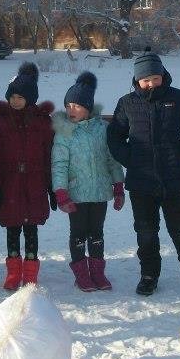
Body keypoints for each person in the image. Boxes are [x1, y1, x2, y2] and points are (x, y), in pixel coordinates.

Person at [106, 49, 180, 300]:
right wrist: (131, 160)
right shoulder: (127, 103)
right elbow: (114, 137)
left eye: (155, 78)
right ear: (137, 80)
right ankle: (149, 276)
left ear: (163, 76)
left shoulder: (179, 99)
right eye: (146, 80)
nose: (151, 83)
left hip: (173, 180)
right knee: (146, 232)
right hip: (141, 183)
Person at [52, 71, 124, 291]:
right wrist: (61, 192)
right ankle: (81, 274)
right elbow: (59, 165)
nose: (71, 110)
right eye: (68, 106)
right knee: (78, 234)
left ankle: (98, 273)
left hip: (100, 191)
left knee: (97, 233)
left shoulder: (102, 129)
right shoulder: (64, 133)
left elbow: (112, 160)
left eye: (77, 106)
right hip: (76, 193)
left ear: (88, 108)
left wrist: (118, 186)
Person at [0, 63, 55, 290]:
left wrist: (52, 186)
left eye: (20, 97)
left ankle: (31, 271)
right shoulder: (0, 122)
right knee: (13, 228)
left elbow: (49, 156)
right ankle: (14, 272)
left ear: (31, 99)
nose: (15, 101)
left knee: (31, 229)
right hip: (10, 186)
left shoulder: (42, 122)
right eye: (12, 97)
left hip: (34, 185)